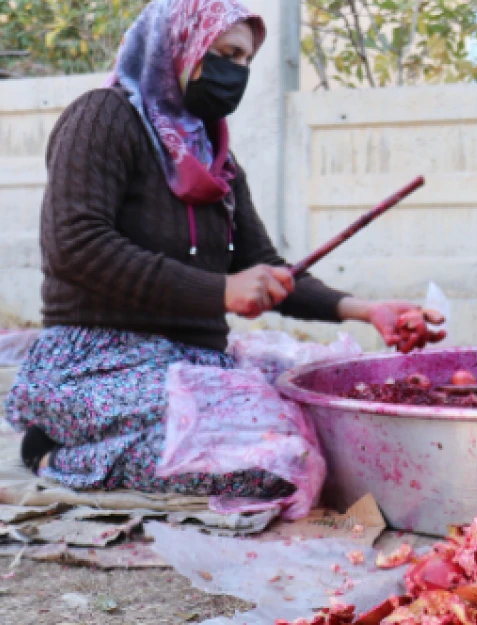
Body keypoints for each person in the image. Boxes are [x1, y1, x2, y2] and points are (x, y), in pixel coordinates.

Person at [6, 0, 444, 498]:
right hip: (100, 362)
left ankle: (131, 436)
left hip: (191, 364)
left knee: (326, 406)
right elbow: (76, 246)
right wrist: (220, 292)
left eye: (244, 62)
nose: (235, 73)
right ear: (180, 45)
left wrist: (366, 310)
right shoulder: (102, 117)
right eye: (227, 54)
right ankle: (58, 451)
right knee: (278, 462)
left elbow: (266, 268)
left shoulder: (216, 160)